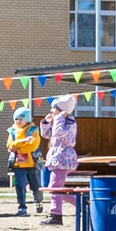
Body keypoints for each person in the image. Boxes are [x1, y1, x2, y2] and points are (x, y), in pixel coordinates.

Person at [41, 93, 80, 224]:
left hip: (63, 157)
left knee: (54, 188)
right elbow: (47, 135)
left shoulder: (69, 122)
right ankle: (81, 203)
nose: (51, 111)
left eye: (54, 108)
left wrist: (58, 118)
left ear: (62, 110)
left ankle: (56, 214)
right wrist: (46, 123)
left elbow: (58, 133)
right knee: (56, 188)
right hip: (57, 156)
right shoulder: (60, 121)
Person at [6, 105, 43, 215]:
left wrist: (18, 149)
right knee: (20, 185)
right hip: (18, 164)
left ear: (27, 119)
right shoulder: (12, 131)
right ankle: (22, 207)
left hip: (32, 163)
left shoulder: (33, 130)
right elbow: (9, 145)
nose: (18, 121)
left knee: (35, 185)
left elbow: (33, 146)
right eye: (16, 119)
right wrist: (22, 141)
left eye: (21, 119)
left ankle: (38, 201)